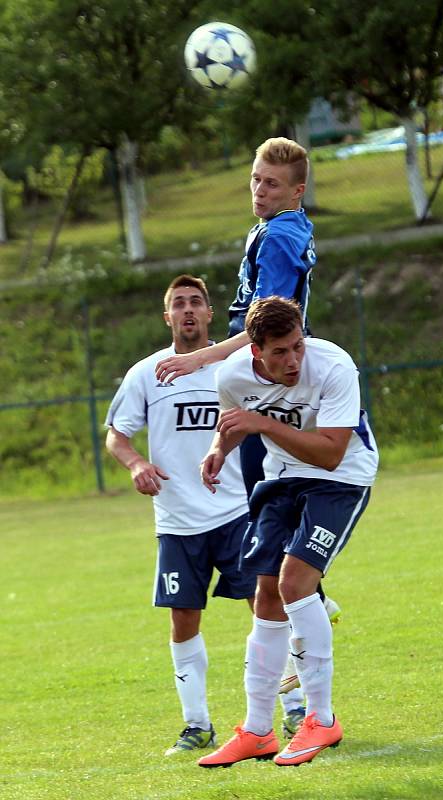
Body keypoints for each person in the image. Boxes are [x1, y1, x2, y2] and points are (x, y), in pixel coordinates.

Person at [154, 138, 339, 701]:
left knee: (270, 499)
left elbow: (268, 327)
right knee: (268, 494)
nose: (260, 190)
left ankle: (305, 602)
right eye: (256, 179)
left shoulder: (282, 235)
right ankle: (305, 599)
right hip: (262, 370)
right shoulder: (280, 227)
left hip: (263, 372)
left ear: (298, 191)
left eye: (273, 183)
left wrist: (200, 357)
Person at [104, 275, 306, 754]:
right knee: (183, 618)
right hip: (176, 522)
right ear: (167, 316)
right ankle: (197, 725)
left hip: (237, 511)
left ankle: (295, 707)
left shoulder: (234, 366)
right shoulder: (146, 373)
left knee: (267, 604)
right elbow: (117, 433)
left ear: (211, 314)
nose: (188, 310)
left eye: (196, 302)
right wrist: (136, 464)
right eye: (179, 304)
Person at [197, 296, 379, 768]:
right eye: (279, 352)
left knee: (297, 582)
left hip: (341, 480)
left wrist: (259, 423)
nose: (293, 359)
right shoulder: (232, 374)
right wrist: (220, 447)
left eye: (297, 345)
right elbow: (235, 419)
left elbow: (331, 454)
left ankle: (321, 718)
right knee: (267, 594)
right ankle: (258, 731)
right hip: (282, 478)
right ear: (255, 351)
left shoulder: (335, 365)